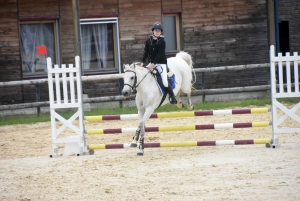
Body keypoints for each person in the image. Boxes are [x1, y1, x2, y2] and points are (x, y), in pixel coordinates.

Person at [140, 22, 177, 104]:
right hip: (151, 63)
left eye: (159, 30)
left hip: (161, 63)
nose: (157, 32)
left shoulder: (162, 42)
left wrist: (153, 64)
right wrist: (142, 62)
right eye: (156, 30)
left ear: (161, 32)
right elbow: (146, 53)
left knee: (164, 81)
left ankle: (172, 96)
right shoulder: (148, 41)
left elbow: (159, 54)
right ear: (153, 31)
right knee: (142, 76)